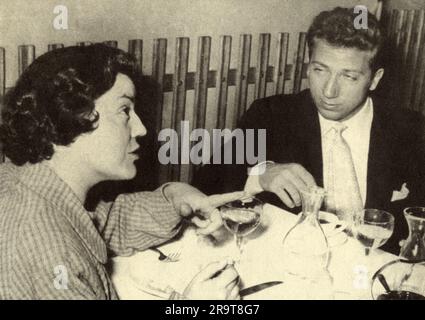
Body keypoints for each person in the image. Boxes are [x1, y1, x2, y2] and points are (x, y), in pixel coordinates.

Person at [0, 44, 243, 300]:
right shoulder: (48, 251)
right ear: (72, 114)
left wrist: (177, 196)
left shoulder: (29, 181)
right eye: (125, 110)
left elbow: (109, 223)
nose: (140, 129)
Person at [193, 7, 425, 254]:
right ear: (308, 65)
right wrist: (260, 175)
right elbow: (204, 188)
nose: (329, 91)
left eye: (349, 76)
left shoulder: (410, 129)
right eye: (319, 70)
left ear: (375, 79)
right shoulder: (271, 114)